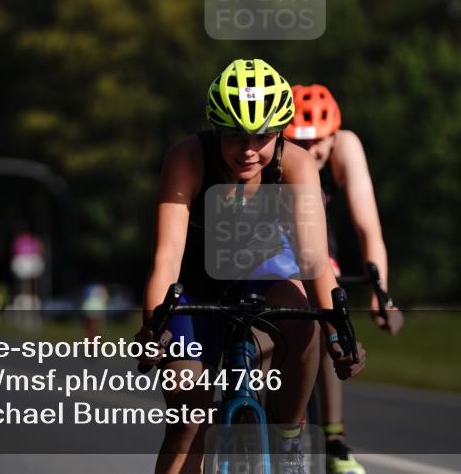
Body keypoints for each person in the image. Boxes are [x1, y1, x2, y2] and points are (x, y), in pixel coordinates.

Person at [138, 59, 366, 474]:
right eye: (234, 136)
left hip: (262, 276)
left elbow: (314, 260)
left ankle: (288, 436)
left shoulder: (296, 164)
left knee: (304, 319)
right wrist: (154, 325)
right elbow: (167, 257)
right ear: (215, 129)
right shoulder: (188, 157)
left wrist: (339, 333)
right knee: (188, 420)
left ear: (280, 132)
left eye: (261, 136)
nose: (247, 149)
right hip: (194, 285)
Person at [285, 84, 403, 474]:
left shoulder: (346, 147)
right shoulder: (275, 151)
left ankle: (334, 440)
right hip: (274, 228)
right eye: (300, 142)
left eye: (318, 141)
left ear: (333, 135)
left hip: (318, 231)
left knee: (328, 302)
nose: (310, 150)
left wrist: (381, 293)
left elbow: (368, 227)